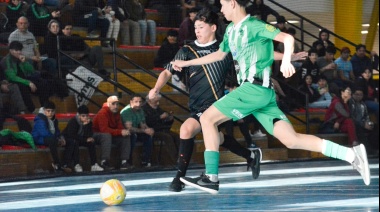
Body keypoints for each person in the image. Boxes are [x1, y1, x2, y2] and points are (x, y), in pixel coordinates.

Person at [171, 0, 370, 194]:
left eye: (223, 4)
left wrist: (286, 60)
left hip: (253, 89)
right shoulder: (231, 31)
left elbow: (288, 39)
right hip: (262, 96)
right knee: (291, 140)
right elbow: (220, 55)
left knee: (207, 118)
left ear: (232, 3)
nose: (221, 9)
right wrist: (188, 64)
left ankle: (211, 177)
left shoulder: (255, 25)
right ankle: (352, 155)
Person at [149, 8, 262, 193]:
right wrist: (156, 89)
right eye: (195, 27)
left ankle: (178, 179)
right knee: (216, 138)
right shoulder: (187, 50)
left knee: (186, 129)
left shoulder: (224, 49)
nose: (197, 31)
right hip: (196, 105)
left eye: (201, 27)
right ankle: (250, 155)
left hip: (217, 104)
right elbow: (167, 71)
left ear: (213, 27)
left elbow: (244, 62)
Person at [1, 40, 68, 113]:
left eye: (20, 50)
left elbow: (31, 70)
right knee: (22, 86)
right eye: (16, 50)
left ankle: (44, 107)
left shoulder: (20, 59)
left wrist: (24, 62)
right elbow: (12, 77)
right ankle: (31, 109)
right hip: (14, 82)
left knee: (43, 83)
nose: (19, 52)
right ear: (10, 50)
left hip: (25, 79)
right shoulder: (6, 60)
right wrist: (28, 83)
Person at [92, 95, 131, 170]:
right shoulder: (102, 113)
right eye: (113, 104)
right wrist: (120, 132)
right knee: (106, 136)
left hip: (109, 135)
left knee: (126, 136)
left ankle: (124, 162)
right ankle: (104, 161)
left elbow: (119, 126)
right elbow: (104, 130)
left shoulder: (117, 112)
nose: (116, 106)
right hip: (96, 134)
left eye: (117, 104)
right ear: (108, 104)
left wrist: (124, 131)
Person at [31, 101, 72, 172]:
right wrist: (57, 139)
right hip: (39, 138)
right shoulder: (40, 119)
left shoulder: (54, 120)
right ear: (44, 110)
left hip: (50, 138)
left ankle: (65, 164)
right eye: (48, 111)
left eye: (52, 111)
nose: (50, 113)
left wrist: (61, 138)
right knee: (52, 140)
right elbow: (44, 133)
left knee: (71, 142)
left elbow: (57, 132)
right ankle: (57, 164)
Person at [61, 105, 104, 172]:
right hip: (70, 139)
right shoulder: (73, 121)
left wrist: (86, 126)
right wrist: (85, 139)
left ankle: (94, 164)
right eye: (83, 116)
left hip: (81, 139)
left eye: (87, 116)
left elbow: (89, 135)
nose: (85, 118)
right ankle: (76, 164)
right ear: (79, 115)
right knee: (75, 142)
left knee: (91, 142)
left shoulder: (88, 123)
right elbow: (71, 135)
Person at [142, 94, 180, 165]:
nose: (158, 103)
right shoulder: (144, 109)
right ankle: (175, 160)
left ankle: (181, 157)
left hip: (163, 129)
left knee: (177, 136)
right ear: (150, 101)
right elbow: (147, 121)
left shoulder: (158, 108)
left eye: (158, 101)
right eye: (156, 101)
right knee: (167, 137)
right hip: (153, 130)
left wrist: (169, 119)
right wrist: (159, 117)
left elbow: (166, 122)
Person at [120, 94, 154, 167]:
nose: (138, 104)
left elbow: (143, 124)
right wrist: (144, 130)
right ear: (131, 102)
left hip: (136, 131)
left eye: (140, 102)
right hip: (126, 133)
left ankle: (145, 160)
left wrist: (148, 129)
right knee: (133, 136)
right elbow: (129, 128)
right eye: (136, 102)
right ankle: (128, 161)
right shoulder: (127, 111)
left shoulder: (140, 110)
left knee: (148, 136)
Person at [349, 87, 378, 154]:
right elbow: (351, 117)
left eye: (360, 95)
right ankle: (368, 150)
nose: (358, 96)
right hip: (355, 124)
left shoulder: (363, 104)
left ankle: (375, 147)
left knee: (376, 127)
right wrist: (363, 124)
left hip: (363, 123)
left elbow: (366, 115)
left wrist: (368, 123)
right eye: (357, 94)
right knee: (358, 128)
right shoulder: (350, 103)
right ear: (353, 94)